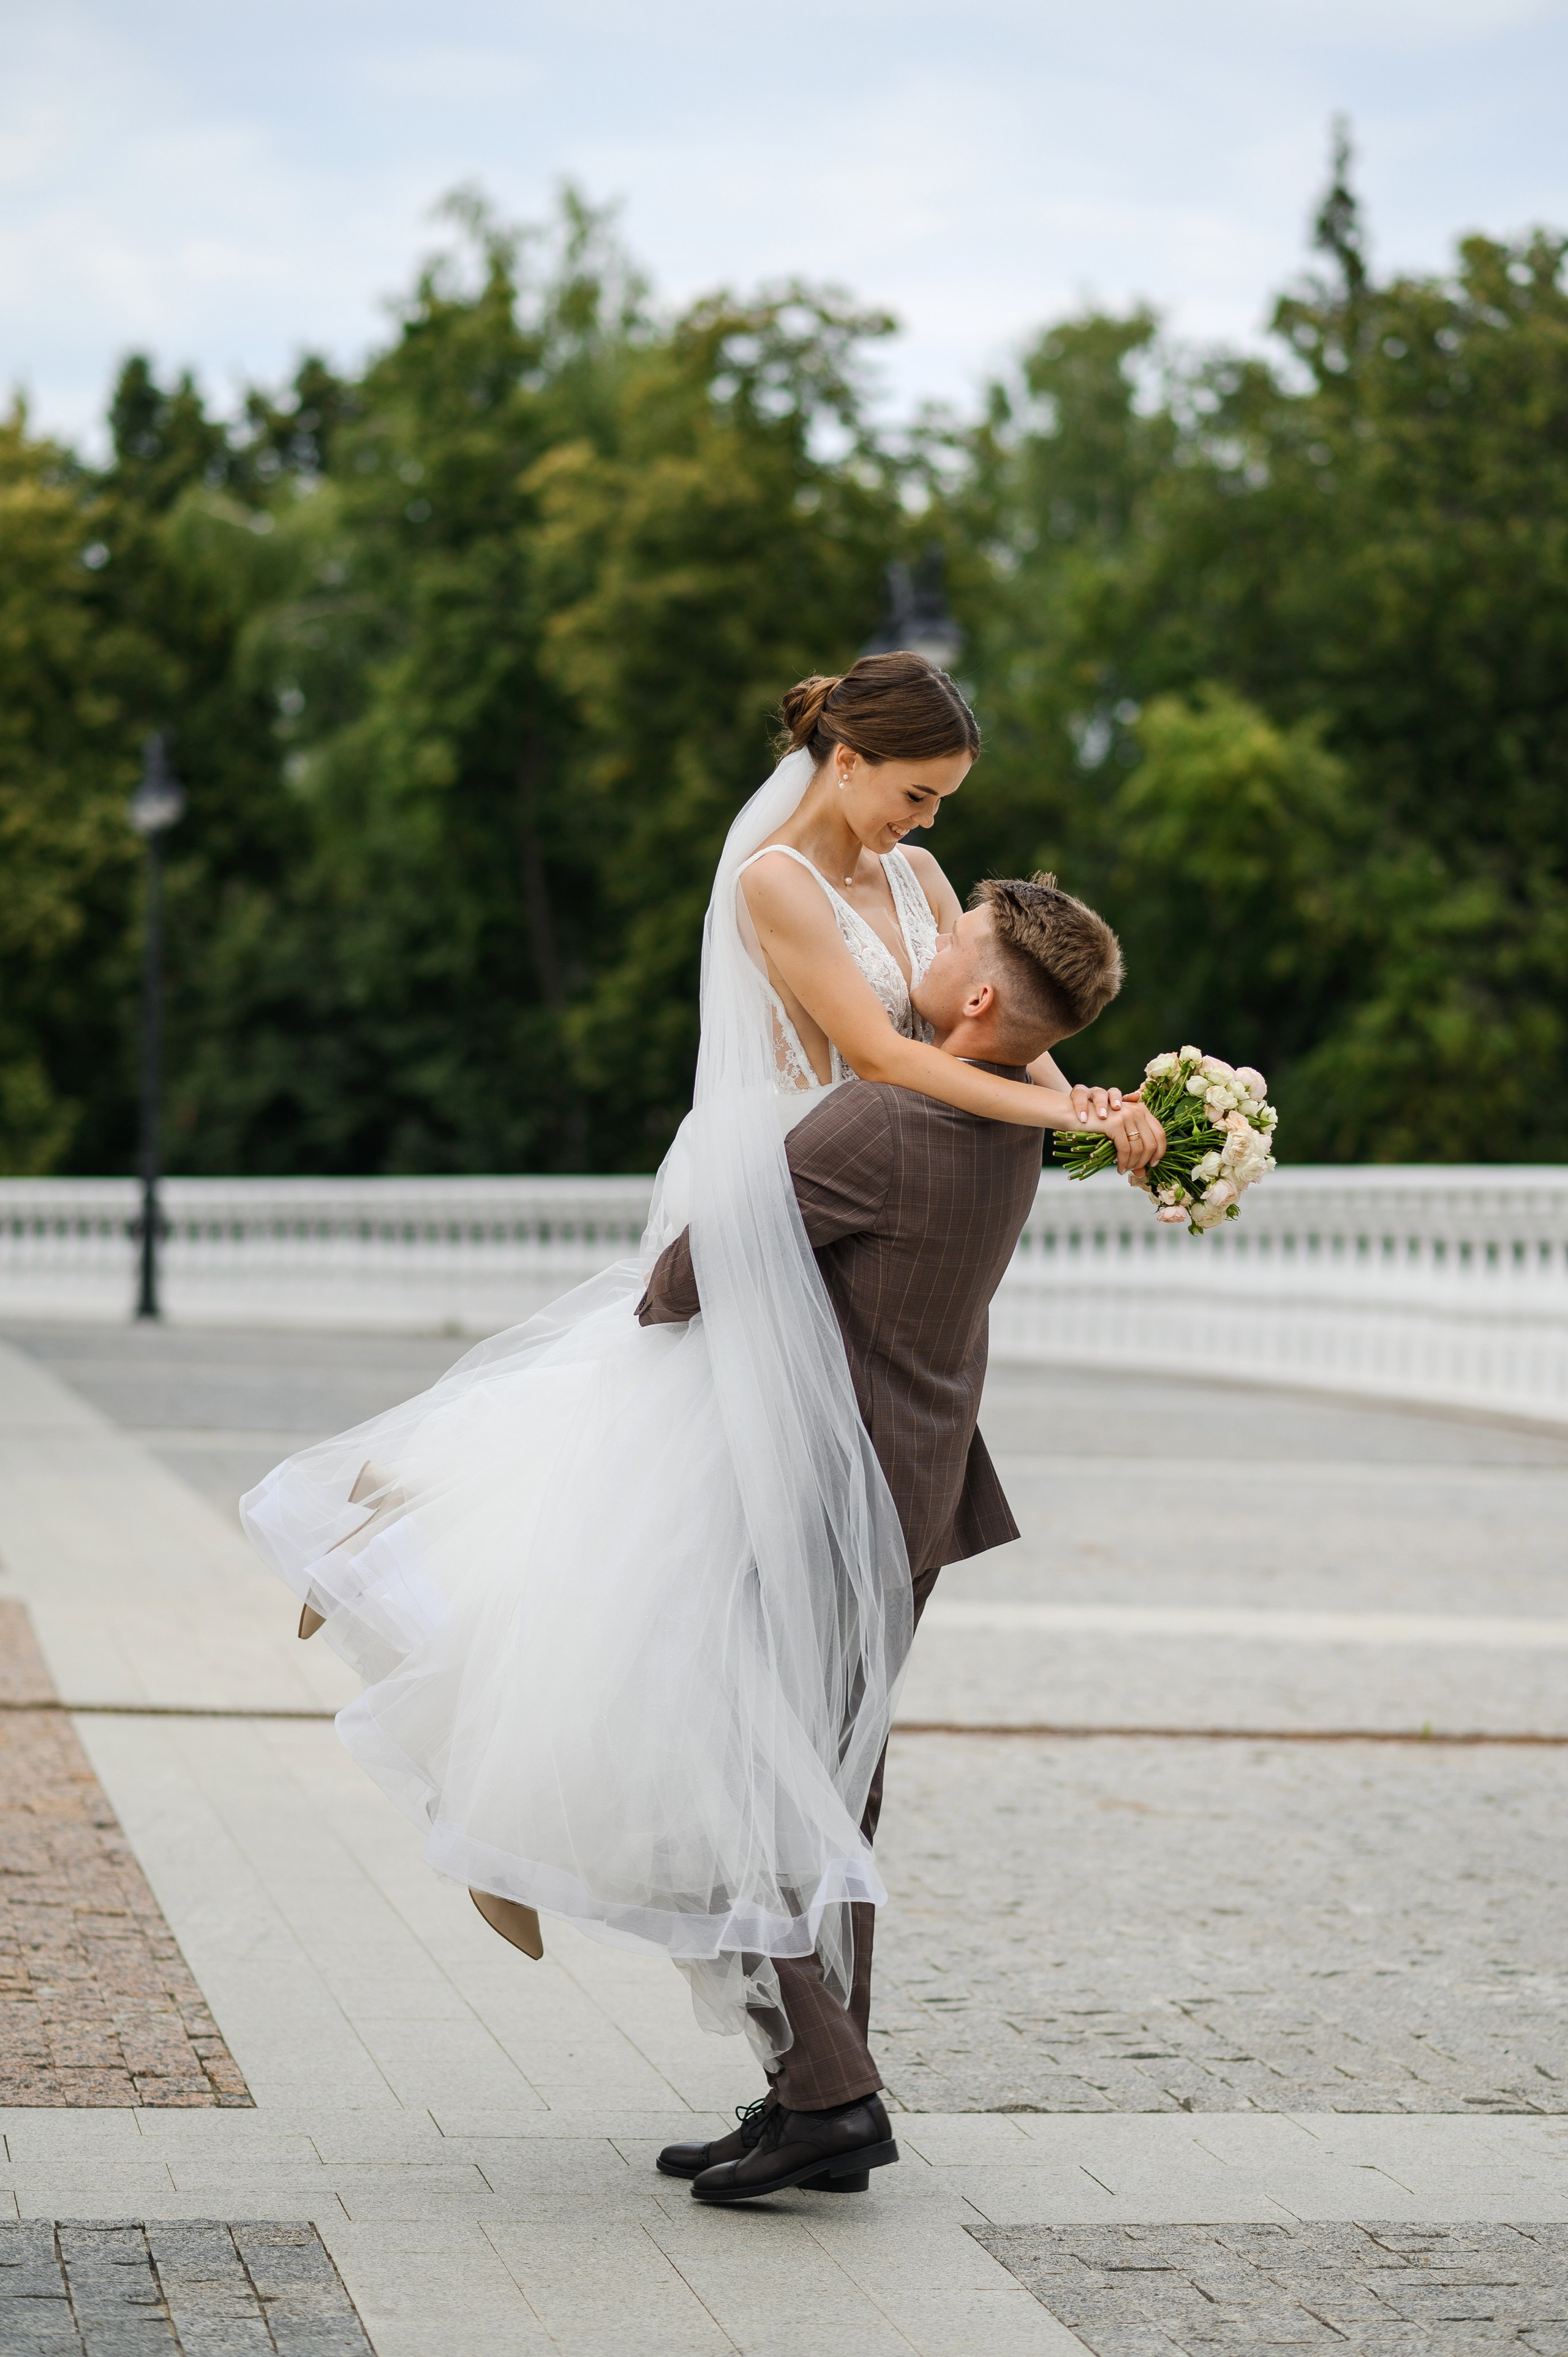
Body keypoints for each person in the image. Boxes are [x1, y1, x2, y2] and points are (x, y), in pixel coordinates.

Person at [239, 653, 1163, 2108]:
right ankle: (426, 1590)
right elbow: (876, 1051)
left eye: (943, 807)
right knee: (651, 1512)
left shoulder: (925, 887)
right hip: (783, 1175)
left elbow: (974, 1028)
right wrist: (1050, 1110)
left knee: (649, 1519)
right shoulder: (778, 881)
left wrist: (1076, 1100)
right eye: (915, 794)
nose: (925, 831)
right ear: (848, 757)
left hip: (864, 1188)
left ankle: (423, 1539)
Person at [641, 870, 1127, 2203]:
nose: (922, 941)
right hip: (913, 1493)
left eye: (949, 936)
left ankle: (833, 2096)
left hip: (815, 1500)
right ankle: (807, 2089)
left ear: (976, 998)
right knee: (835, 1792)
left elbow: (680, 1282)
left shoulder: (882, 1116)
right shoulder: (1012, 1120)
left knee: (749, 1784)